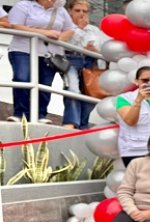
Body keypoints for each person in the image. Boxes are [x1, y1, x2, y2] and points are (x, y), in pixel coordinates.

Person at [7, 0, 75, 123]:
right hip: (23, 50)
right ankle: (20, 114)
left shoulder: (60, 10)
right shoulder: (24, 6)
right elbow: (15, 25)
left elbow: (70, 30)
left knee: (45, 84)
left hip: (49, 54)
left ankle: (40, 115)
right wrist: (44, 33)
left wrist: (59, 37)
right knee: (22, 79)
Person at [61, 0, 102, 129]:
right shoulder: (64, 26)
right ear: (70, 11)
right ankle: (71, 122)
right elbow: (66, 43)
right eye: (78, 11)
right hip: (71, 59)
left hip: (90, 61)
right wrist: (79, 29)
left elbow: (102, 47)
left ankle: (83, 124)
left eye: (84, 11)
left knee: (90, 93)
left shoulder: (94, 29)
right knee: (73, 89)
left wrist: (95, 50)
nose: (81, 14)